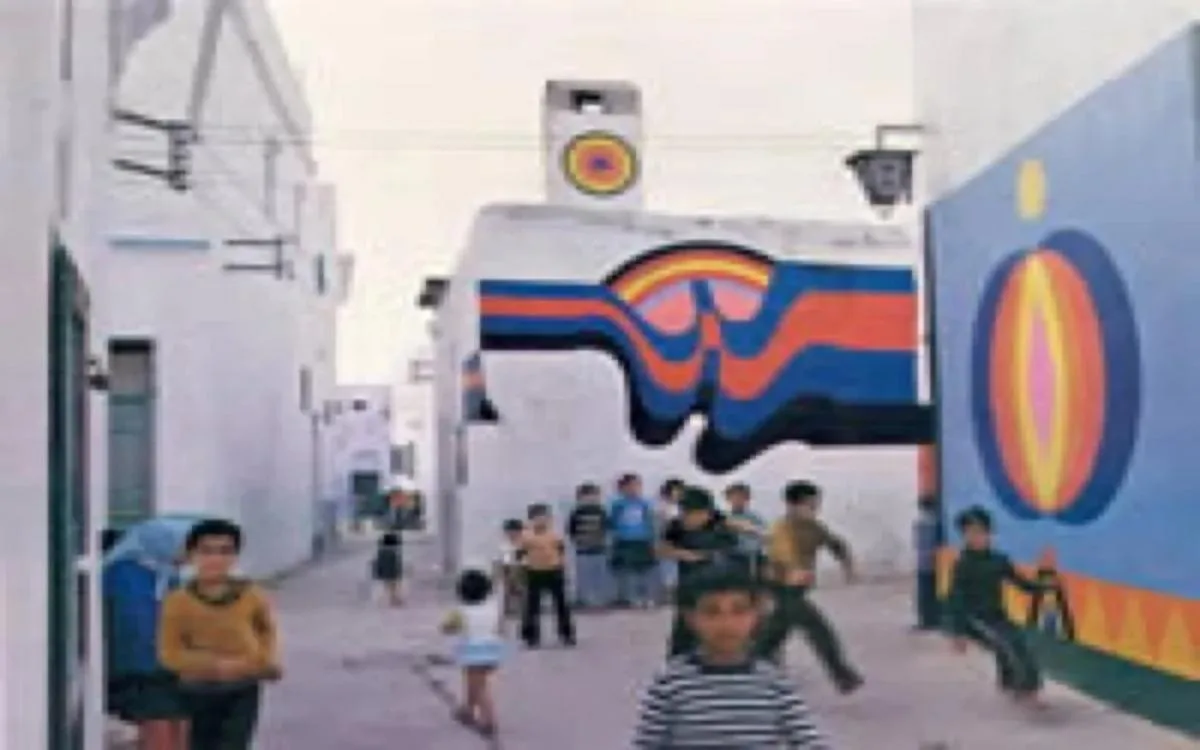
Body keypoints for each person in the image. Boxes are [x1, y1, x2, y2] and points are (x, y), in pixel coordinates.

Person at [633, 566, 829, 749]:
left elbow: (809, 741)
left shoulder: (773, 682)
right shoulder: (671, 681)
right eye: (711, 612)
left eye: (739, 611)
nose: (726, 623)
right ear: (691, 618)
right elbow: (647, 744)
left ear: (756, 615)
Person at [158, 519, 281, 750]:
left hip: (243, 688)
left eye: (225, 551)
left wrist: (263, 662)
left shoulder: (251, 595)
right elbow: (169, 653)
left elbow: (266, 632)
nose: (215, 559)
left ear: (235, 557)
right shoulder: (177, 601)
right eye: (206, 551)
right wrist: (216, 666)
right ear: (191, 555)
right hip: (197, 691)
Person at [756, 481, 864, 694]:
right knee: (817, 628)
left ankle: (745, 668)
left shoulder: (814, 527)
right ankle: (843, 676)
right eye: (810, 505)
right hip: (782, 587)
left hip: (798, 587)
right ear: (792, 505)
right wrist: (794, 571)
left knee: (773, 635)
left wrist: (848, 565)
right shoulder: (781, 529)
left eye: (816, 505)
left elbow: (836, 544)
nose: (815, 509)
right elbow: (784, 554)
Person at [103, 523, 191, 750]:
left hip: (165, 666)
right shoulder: (124, 574)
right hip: (138, 669)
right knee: (159, 719)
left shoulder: (165, 574)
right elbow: (133, 627)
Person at [945, 506, 1044, 704]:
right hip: (975, 618)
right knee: (1009, 644)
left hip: (997, 615)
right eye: (969, 534)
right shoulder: (963, 564)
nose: (976, 538)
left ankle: (1009, 683)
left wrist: (1041, 588)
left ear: (989, 534)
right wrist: (958, 633)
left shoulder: (999, 560)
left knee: (1016, 642)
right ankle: (1028, 690)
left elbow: (1019, 581)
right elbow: (956, 598)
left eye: (980, 532)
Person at [659, 486, 741, 657]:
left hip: (716, 587)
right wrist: (684, 554)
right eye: (685, 513)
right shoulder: (676, 526)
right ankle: (678, 661)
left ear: (707, 513)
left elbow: (731, 551)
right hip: (688, 586)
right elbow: (662, 549)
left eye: (694, 514)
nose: (688, 519)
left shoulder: (720, 527)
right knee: (685, 629)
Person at [442, 568, 506, 738]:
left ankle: (488, 719)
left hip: (472, 651)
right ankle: (467, 710)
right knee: (475, 682)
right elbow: (500, 628)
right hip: (492, 649)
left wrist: (450, 628)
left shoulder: (460, 611)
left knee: (479, 687)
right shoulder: (493, 608)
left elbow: (447, 627)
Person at [519, 504, 576, 648]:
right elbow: (521, 553)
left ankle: (566, 634)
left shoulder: (555, 534)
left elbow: (561, 551)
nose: (541, 520)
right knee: (532, 606)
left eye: (544, 517)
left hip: (554, 570)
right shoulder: (526, 536)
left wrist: (563, 567)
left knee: (561, 604)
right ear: (531, 520)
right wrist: (523, 568)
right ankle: (531, 636)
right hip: (534, 571)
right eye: (537, 517)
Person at [608, 473, 659, 609]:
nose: (634, 489)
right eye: (630, 486)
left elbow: (651, 521)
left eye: (637, 485)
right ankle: (630, 597)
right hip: (624, 540)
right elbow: (612, 523)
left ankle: (647, 597)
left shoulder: (645, 503)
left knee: (646, 570)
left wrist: (653, 540)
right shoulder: (617, 504)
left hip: (642, 540)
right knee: (627, 571)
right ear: (622, 488)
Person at [566, 482, 612, 609]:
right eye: (587, 496)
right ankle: (583, 598)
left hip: (600, 549)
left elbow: (607, 528)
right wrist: (577, 542)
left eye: (594, 495)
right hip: (582, 550)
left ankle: (600, 599)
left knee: (599, 574)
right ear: (579, 497)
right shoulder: (576, 512)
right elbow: (571, 530)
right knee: (583, 575)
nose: (591, 499)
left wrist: (606, 542)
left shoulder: (601, 511)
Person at [724, 483, 768, 580]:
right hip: (728, 557)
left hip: (751, 558)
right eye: (734, 496)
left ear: (747, 499)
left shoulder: (755, 517)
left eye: (742, 497)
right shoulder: (724, 517)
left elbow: (765, 537)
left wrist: (750, 529)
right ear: (728, 498)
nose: (737, 500)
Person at [653, 478, 686, 605]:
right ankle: (666, 596)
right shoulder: (662, 507)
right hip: (666, 542)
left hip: (680, 542)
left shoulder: (682, 508)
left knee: (678, 570)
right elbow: (659, 527)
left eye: (681, 491)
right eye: (675, 490)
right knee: (667, 569)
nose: (678, 493)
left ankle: (677, 595)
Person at [913, 493, 942, 631]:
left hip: (923, 563)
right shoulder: (937, 522)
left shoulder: (919, 523)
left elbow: (916, 543)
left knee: (924, 594)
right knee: (932, 593)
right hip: (935, 563)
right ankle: (933, 620)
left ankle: (925, 621)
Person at [497, 519, 526, 619]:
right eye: (509, 532)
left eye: (514, 531)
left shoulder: (524, 545)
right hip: (508, 574)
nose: (511, 534)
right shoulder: (504, 546)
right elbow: (502, 562)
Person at [372, 531, 404, 606]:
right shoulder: (392, 552)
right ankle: (392, 599)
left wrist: (378, 571)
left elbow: (378, 563)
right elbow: (395, 564)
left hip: (385, 572)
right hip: (391, 572)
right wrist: (398, 572)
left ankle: (389, 599)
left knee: (388, 585)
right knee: (392, 585)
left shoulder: (381, 551)